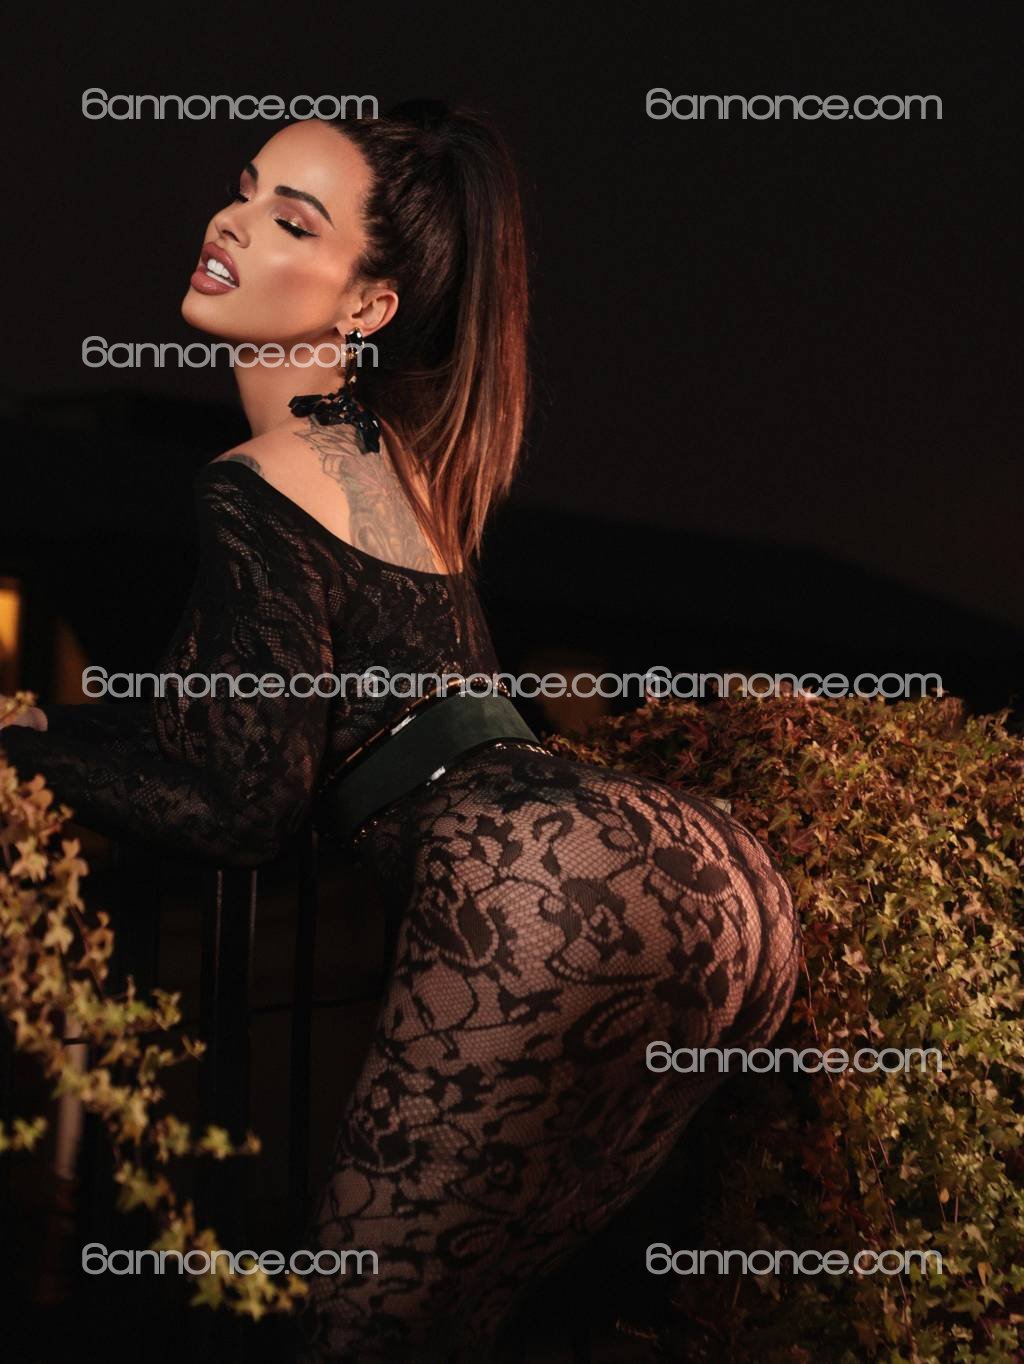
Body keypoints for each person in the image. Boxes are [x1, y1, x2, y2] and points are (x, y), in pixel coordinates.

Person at [0, 100, 800, 1362]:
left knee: (357, 1327)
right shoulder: (404, 470)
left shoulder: (257, 478)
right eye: (244, 187)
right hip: (718, 877)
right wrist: (63, 719)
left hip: (545, 879)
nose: (230, 222)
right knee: (480, 1319)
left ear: (369, 305)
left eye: (290, 220)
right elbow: (265, 710)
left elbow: (243, 802)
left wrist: (19, 752)